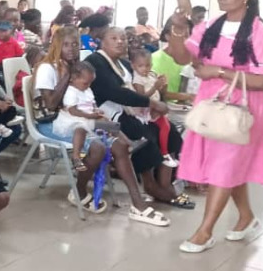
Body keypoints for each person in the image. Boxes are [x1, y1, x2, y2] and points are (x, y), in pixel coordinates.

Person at [164, 0, 263, 253]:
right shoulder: (210, 26)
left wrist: (220, 72)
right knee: (226, 166)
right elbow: (182, 57)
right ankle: (247, 216)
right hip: (212, 105)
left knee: (224, 167)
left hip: (242, 109)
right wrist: (178, 29)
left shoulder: (260, 33)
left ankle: (204, 231)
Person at [33, 26, 167, 224]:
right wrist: (67, 76)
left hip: (79, 119)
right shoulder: (48, 68)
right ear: (56, 45)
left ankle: (137, 204)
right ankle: (78, 190)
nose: (71, 49)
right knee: (98, 147)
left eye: (75, 44)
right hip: (53, 123)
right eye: (66, 45)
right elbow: (51, 105)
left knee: (120, 144)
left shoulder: (78, 66)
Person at [87, 28, 192, 210]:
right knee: (145, 136)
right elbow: (114, 92)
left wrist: (156, 96)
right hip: (108, 116)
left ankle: (165, 183)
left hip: (135, 112)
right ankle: (149, 184)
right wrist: (150, 103)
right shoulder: (95, 61)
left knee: (171, 133)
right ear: (102, 41)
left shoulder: (126, 64)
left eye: (123, 38)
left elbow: (139, 88)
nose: (120, 41)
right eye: (114, 38)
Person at [129, 48, 179, 168]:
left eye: (147, 65)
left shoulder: (151, 74)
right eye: (141, 66)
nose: (145, 69)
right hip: (147, 110)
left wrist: (162, 83)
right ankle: (164, 153)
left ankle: (167, 153)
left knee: (167, 127)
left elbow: (161, 92)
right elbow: (142, 98)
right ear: (133, 66)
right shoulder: (137, 79)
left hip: (156, 107)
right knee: (165, 126)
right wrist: (155, 88)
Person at [52, 62, 105, 173]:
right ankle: (76, 157)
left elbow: (92, 102)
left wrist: (96, 109)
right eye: (86, 83)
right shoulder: (71, 92)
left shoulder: (86, 89)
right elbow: (73, 111)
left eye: (91, 83)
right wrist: (89, 115)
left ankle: (125, 143)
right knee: (80, 130)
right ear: (72, 79)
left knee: (109, 123)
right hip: (72, 120)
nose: (88, 86)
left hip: (87, 117)